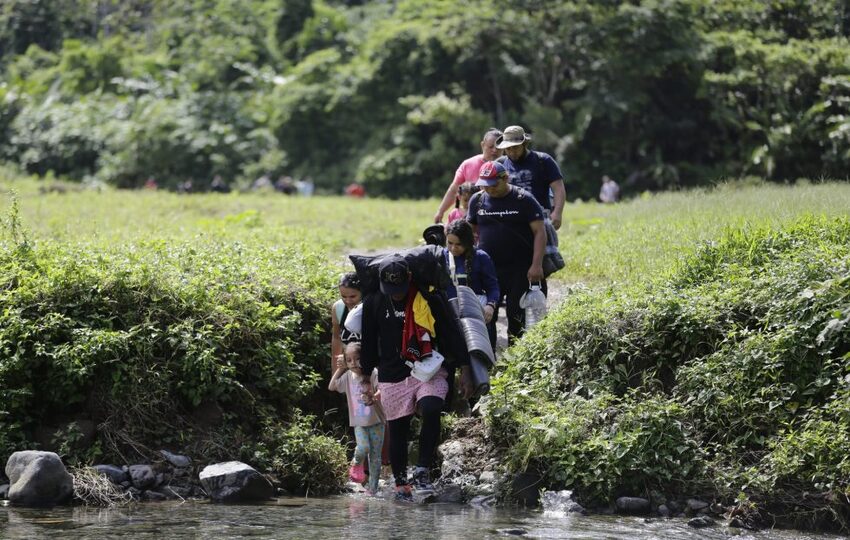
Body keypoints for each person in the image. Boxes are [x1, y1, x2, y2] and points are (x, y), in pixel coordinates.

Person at [360, 255, 472, 500]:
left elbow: (451, 331)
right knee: (398, 429)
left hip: (428, 367)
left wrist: (465, 367)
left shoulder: (428, 298)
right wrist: (365, 377)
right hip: (392, 373)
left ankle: (422, 469)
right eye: (391, 290)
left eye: (399, 289)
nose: (396, 294)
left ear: (409, 279)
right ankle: (401, 484)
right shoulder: (374, 302)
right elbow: (368, 341)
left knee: (432, 407)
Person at [467, 161, 546, 345]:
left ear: (505, 178)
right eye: (485, 185)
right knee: (487, 314)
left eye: (493, 184)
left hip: (520, 269)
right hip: (488, 269)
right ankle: (489, 359)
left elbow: (539, 232)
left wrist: (536, 265)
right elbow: (468, 233)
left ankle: (516, 359)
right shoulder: (477, 200)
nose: (490, 189)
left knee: (516, 314)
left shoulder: (524, 199)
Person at [329, 342, 385, 495]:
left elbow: (382, 388)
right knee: (363, 448)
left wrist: (374, 396)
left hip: (377, 422)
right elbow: (332, 386)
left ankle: (372, 490)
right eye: (349, 360)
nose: (354, 363)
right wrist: (341, 368)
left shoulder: (372, 373)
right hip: (359, 423)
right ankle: (355, 463)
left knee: (375, 457)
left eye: (357, 359)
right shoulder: (347, 376)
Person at [496, 125, 566, 230]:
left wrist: (557, 212)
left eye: (515, 147)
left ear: (525, 144)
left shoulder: (543, 161)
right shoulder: (500, 164)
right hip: (510, 221)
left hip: (541, 219)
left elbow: (558, 188)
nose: (511, 152)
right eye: (508, 149)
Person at [443, 220, 500, 348]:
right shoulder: (442, 257)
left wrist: (490, 306)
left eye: (458, 244)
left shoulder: (481, 257)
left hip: (476, 312)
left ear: (468, 242)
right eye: (450, 243)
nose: (453, 248)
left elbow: (493, 287)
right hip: (451, 314)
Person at [433, 128, 503, 224]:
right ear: (482, 145)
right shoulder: (468, 164)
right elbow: (454, 190)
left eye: (498, 147)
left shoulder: (508, 166)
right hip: (470, 219)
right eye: (491, 147)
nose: (495, 150)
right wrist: (440, 211)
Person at [331, 272, 362, 373]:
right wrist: (335, 371)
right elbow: (336, 338)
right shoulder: (338, 308)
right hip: (349, 368)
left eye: (353, 297)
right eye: (343, 296)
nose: (348, 301)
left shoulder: (370, 307)